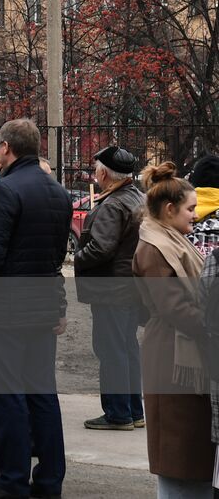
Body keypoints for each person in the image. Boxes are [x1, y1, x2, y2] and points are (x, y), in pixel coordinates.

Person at [0, 118, 71, 499]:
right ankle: (49, 480)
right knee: (42, 392)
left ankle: (12, 479)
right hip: (42, 304)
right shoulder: (58, 192)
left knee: (7, 392)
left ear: (7, 148)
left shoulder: (5, 190)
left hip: (6, 309)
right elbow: (58, 255)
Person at [133, 162, 213, 499]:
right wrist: (212, 325)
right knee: (177, 447)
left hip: (179, 351)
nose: (195, 215)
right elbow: (174, 308)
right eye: (190, 209)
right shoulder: (155, 247)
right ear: (169, 209)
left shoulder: (171, 239)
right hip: (171, 356)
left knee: (187, 445)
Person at [74, 145, 145, 432]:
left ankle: (118, 413)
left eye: (95, 169)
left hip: (111, 289)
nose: (94, 174)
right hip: (129, 287)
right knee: (126, 347)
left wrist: (77, 258)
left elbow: (101, 247)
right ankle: (133, 410)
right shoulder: (136, 197)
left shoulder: (114, 203)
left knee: (111, 349)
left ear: (104, 172)